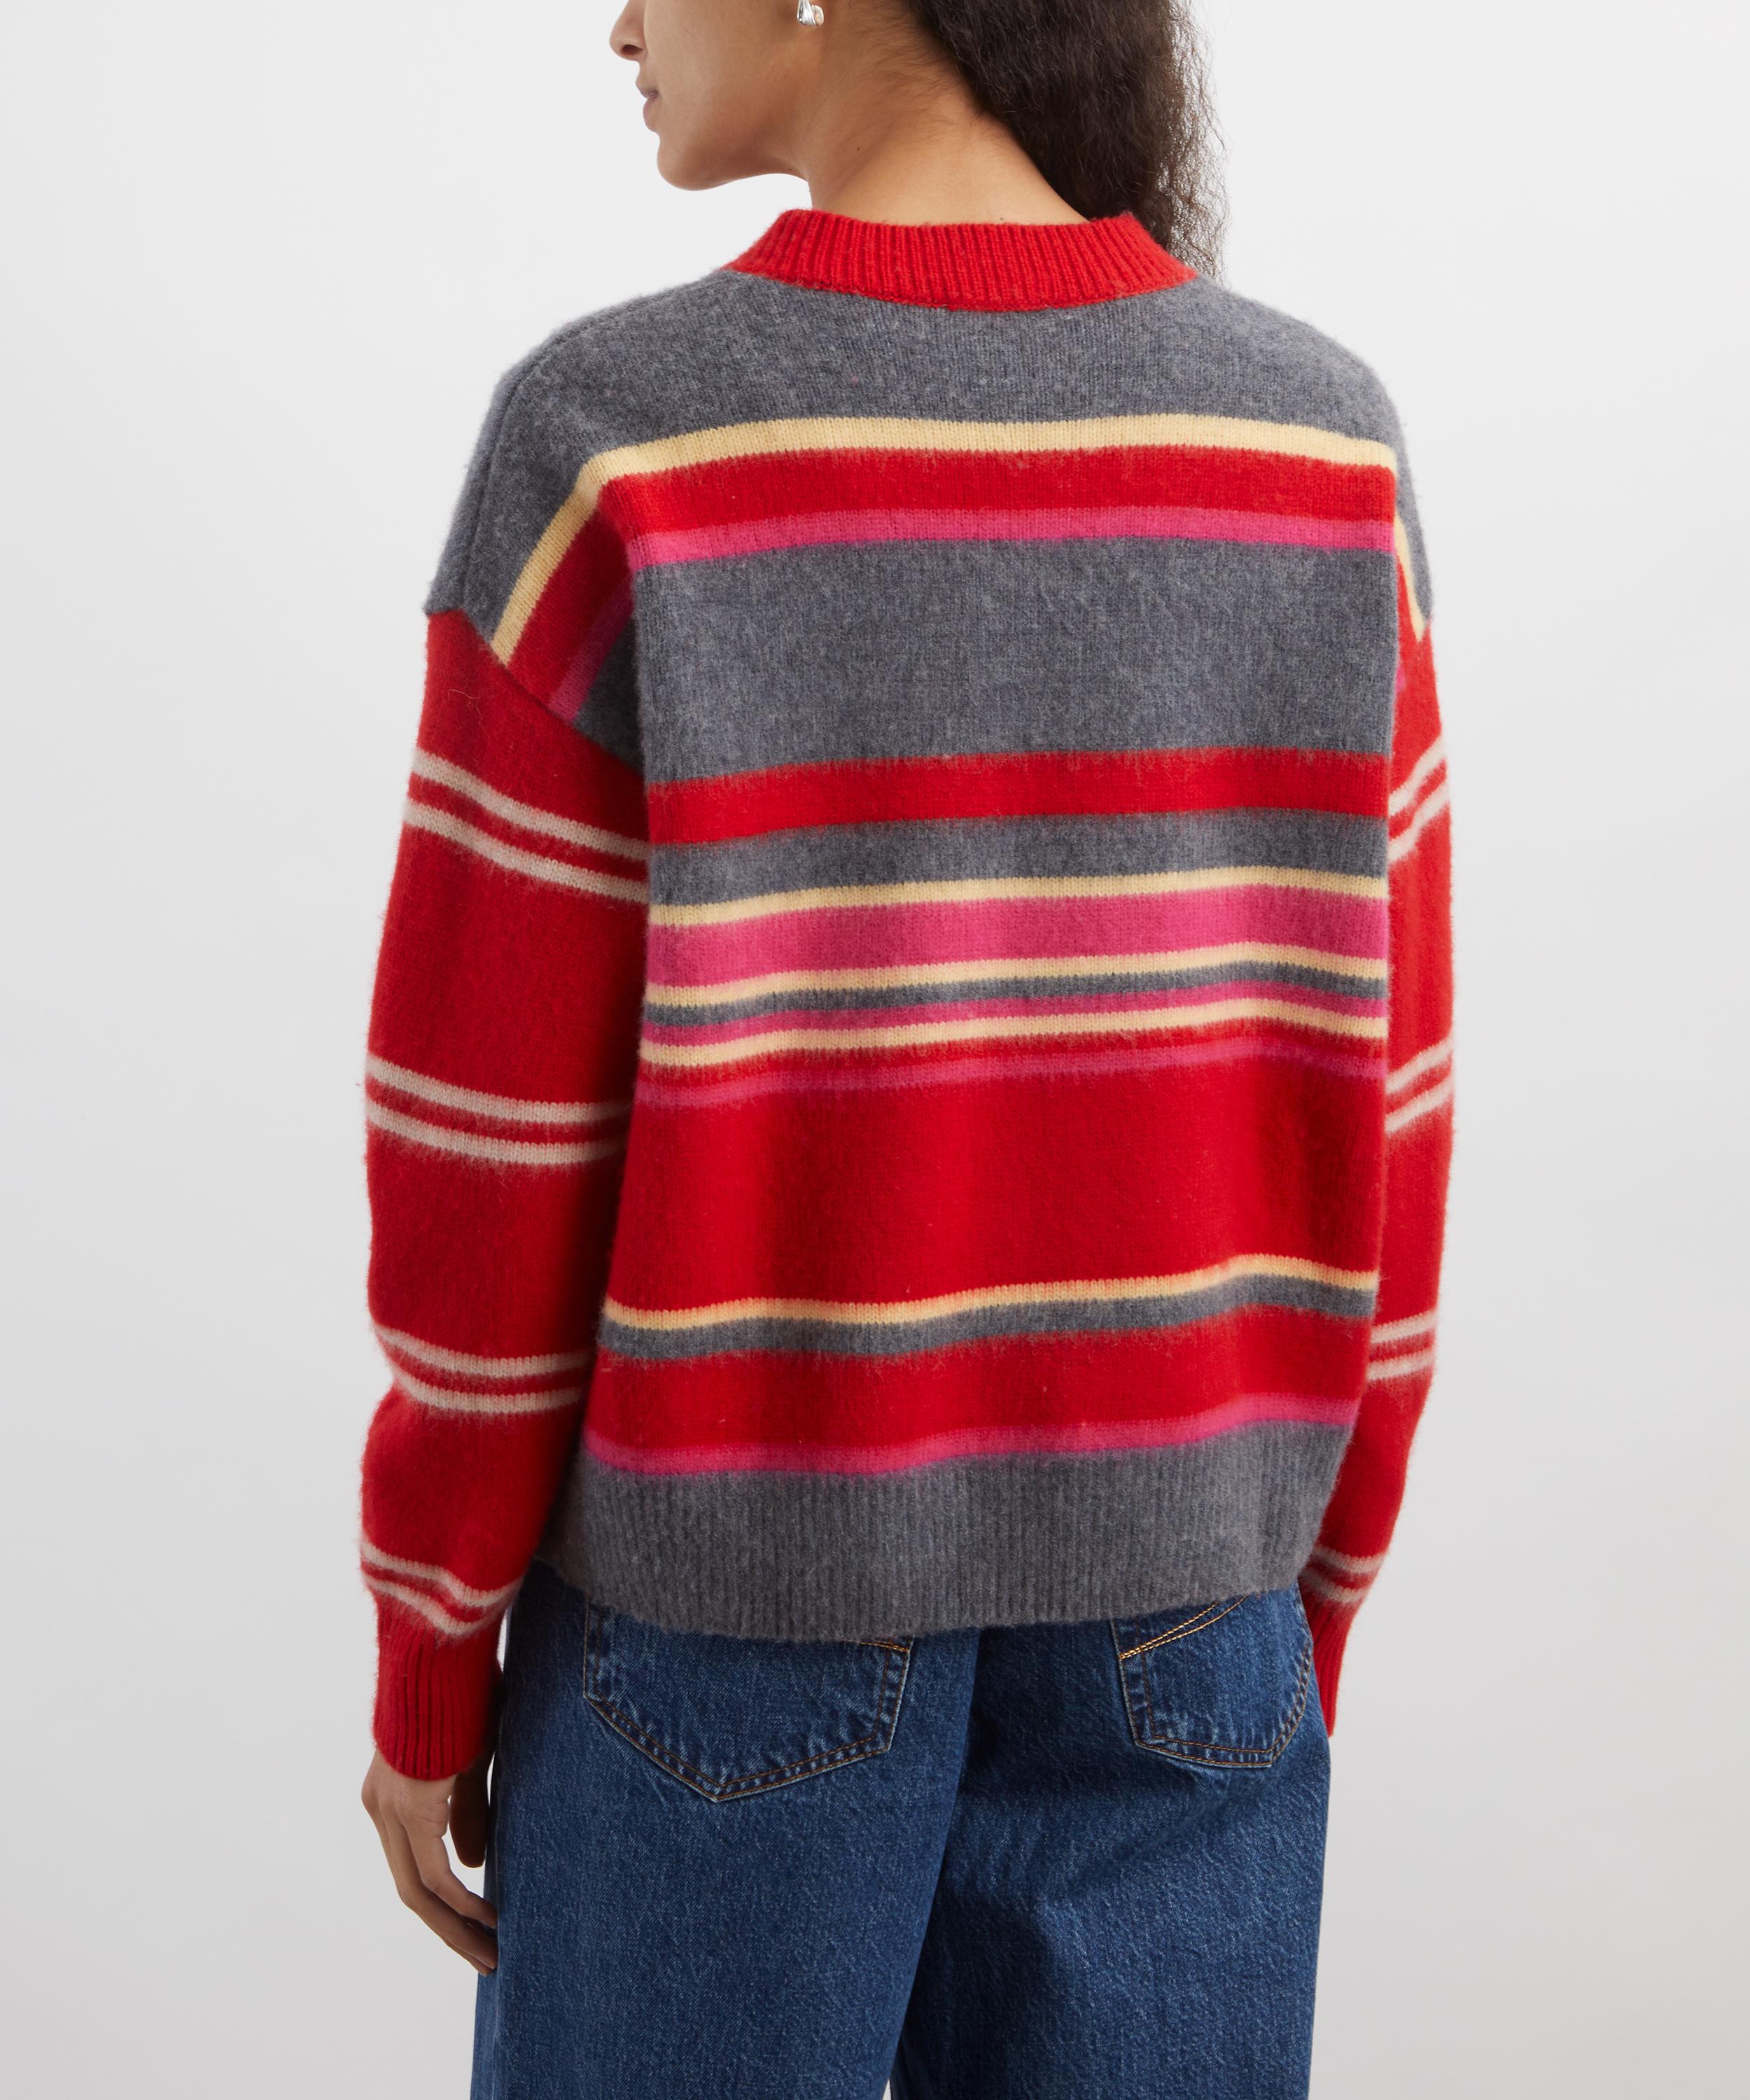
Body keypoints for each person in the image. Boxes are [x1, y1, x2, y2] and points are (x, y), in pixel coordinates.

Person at [356, 0, 1454, 2093]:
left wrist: (430, 1640)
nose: (617, 24)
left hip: (720, 1622)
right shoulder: (1322, 450)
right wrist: (1301, 1599)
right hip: (1191, 1612)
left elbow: (488, 1140)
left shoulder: (617, 437)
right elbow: (1383, 1108)